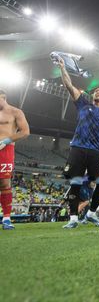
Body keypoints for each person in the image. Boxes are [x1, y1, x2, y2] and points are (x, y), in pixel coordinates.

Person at [57, 57, 99, 229]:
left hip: (97, 151)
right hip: (78, 148)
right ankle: (73, 219)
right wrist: (63, 68)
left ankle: (92, 213)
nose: (98, 92)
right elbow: (69, 86)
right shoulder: (83, 104)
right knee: (75, 182)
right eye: (96, 90)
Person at [0, 89, 30, 230]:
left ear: (3, 97)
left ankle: (6, 218)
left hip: (5, 149)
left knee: (5, 183)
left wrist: (7, 140)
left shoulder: (16, 112)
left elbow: (25, 131)